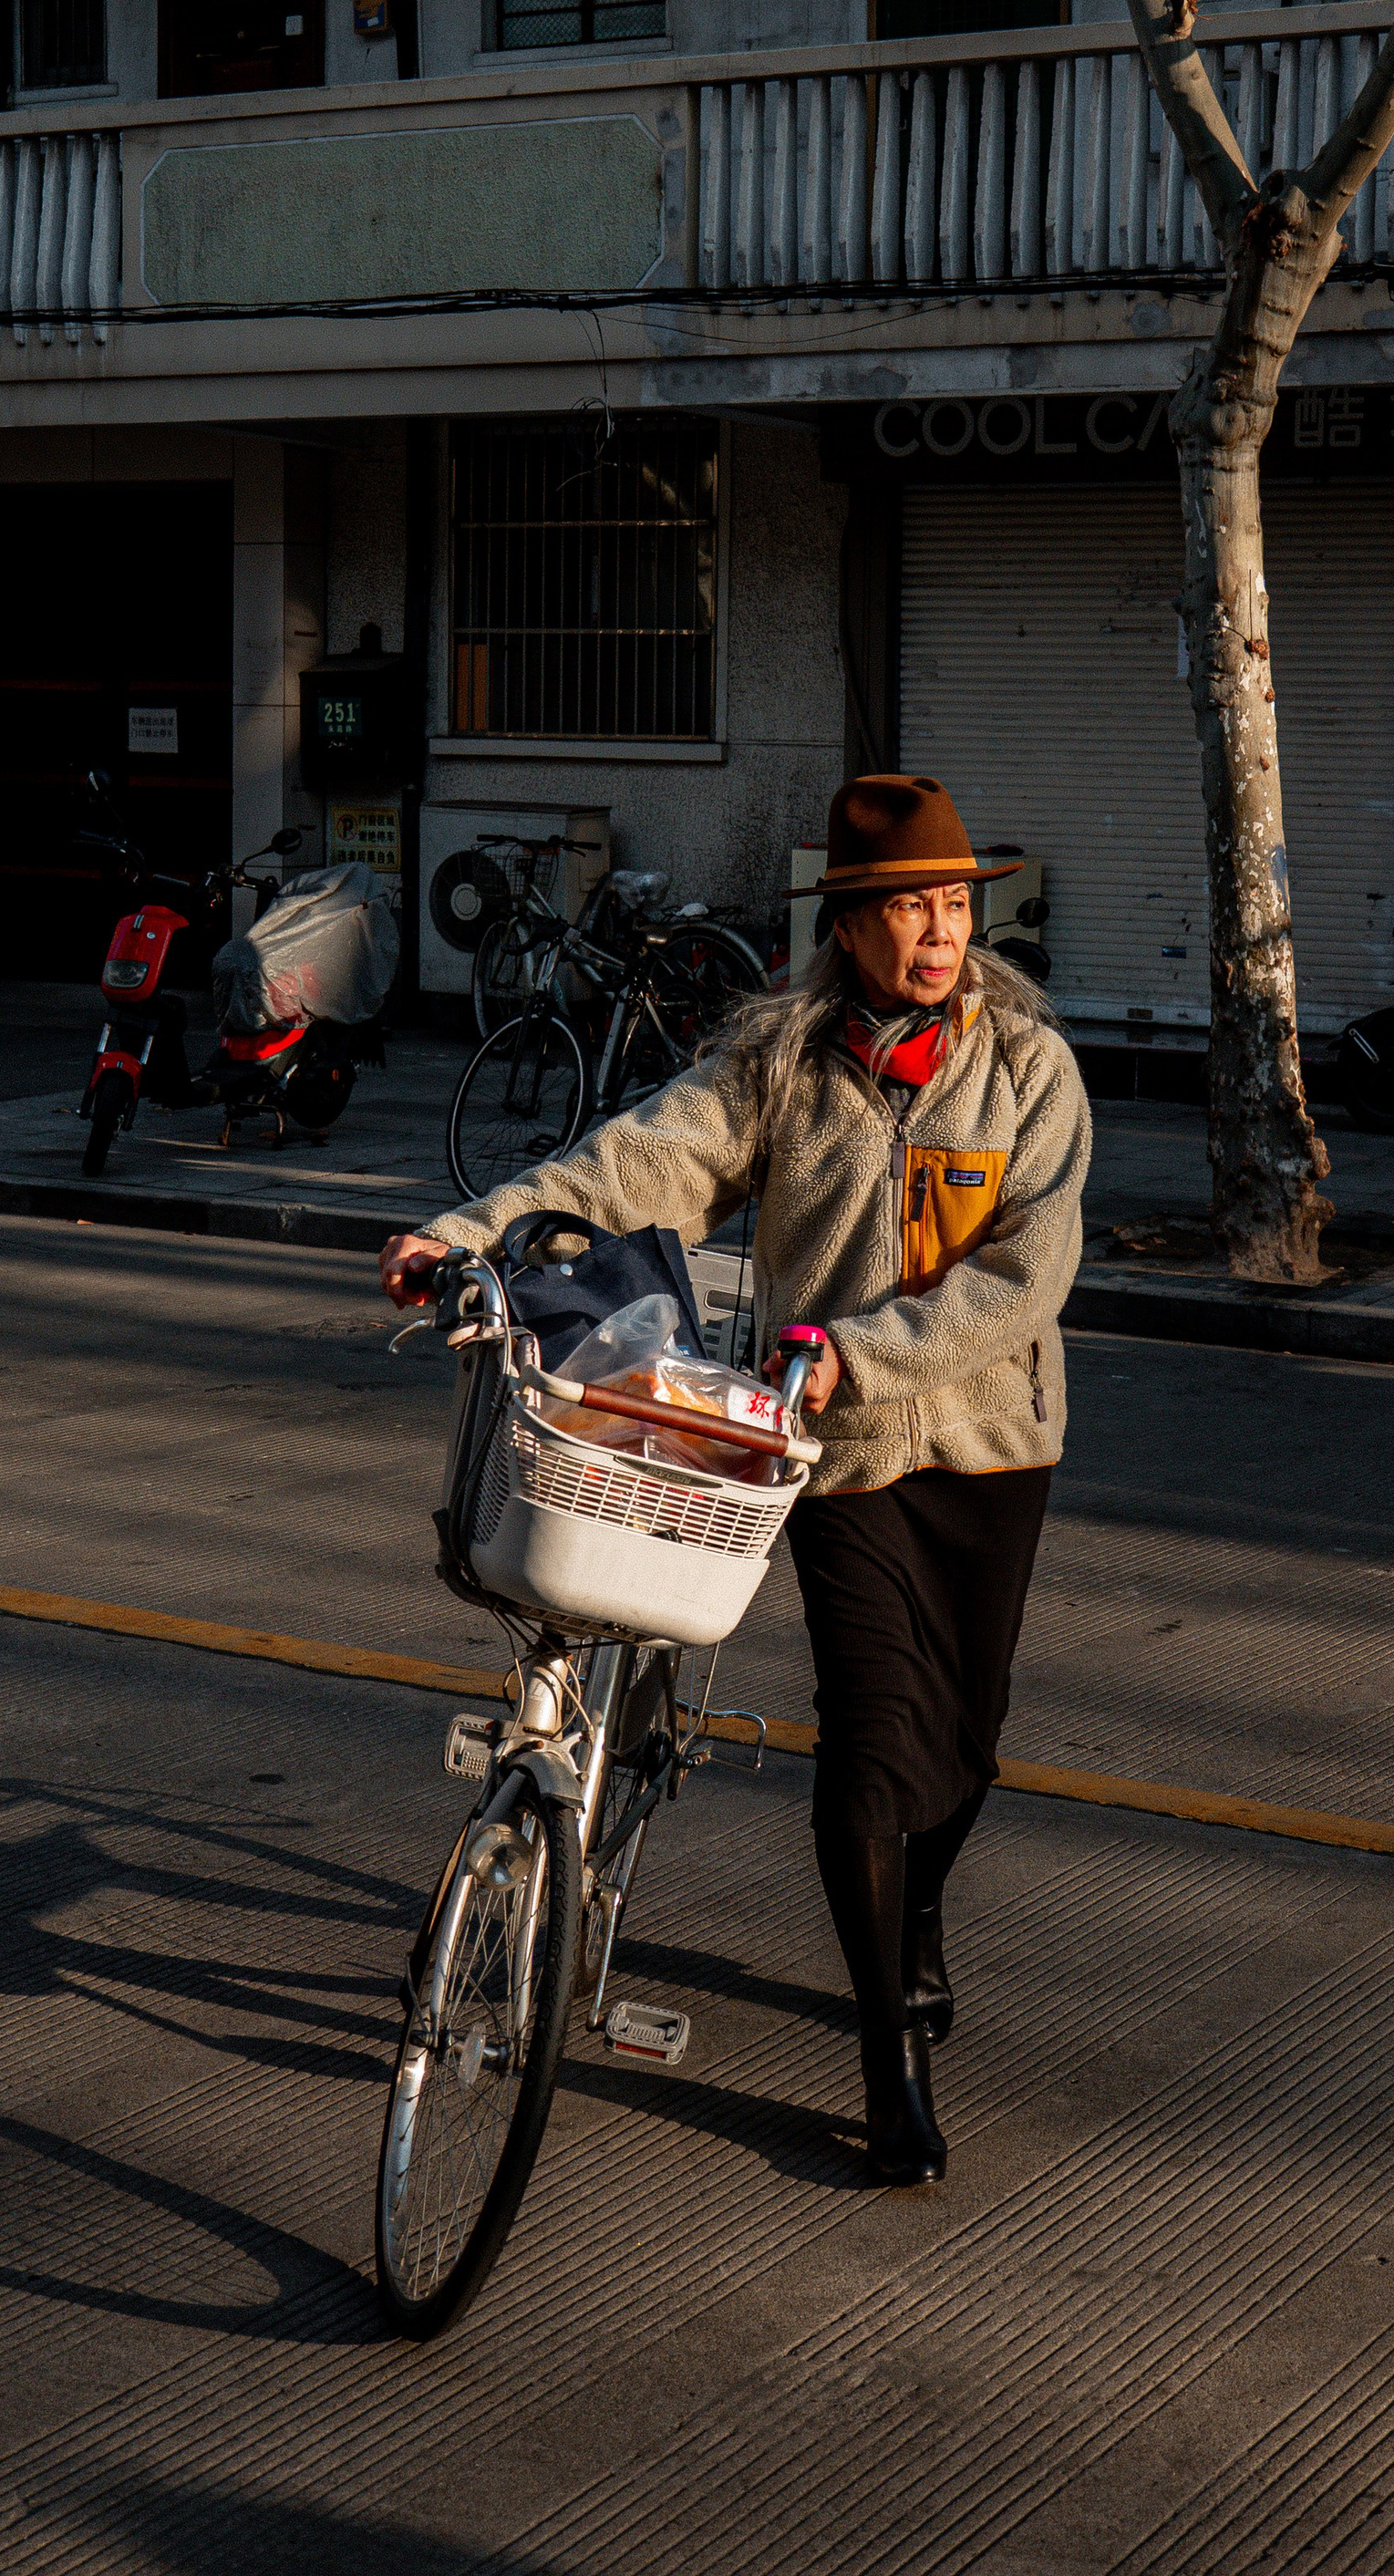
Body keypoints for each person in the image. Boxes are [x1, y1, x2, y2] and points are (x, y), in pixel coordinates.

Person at [381, 772, 1091, 2188]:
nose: (939, 932)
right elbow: (638, 1162)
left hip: (996, 1448)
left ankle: (921, 1905)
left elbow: (1031, 1270)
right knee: (874, 1749)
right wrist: (468, 1231)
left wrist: (868, 1344)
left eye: (955, 904)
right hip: (835, 1461)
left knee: (966, 1747)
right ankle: (891, 2059)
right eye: (909, 908)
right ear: (854, 925)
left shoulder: (1028, 1065)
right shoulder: (785, 1060)